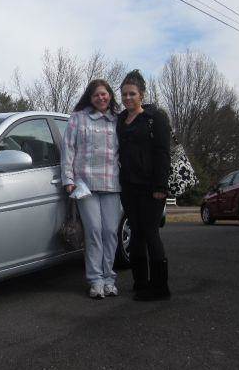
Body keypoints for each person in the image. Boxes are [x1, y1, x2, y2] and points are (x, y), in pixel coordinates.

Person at [61, 79, 123, 299]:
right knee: (94, 231)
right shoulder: (78, 118)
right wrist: (68, 178)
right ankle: (95, 280)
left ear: (110, 95)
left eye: (104, 94)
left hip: (112, 183)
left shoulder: (117, 120)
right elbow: (68, 149)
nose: (101, 98)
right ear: (90, 97)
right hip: (85, 184)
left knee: (110, 233)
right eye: (96, 95)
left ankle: (109, 279)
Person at [116, 70, 171, 301]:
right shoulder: (120, 119)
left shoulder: (155, 118)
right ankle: (140, 284)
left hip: (151, 187)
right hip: (128, 187)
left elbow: (163, 153)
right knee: (136, 233)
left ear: (142, 94)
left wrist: (160, 186)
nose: (128, 98)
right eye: (124, 94)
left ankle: (160, 288)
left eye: (132, 94)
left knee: (150, 233)